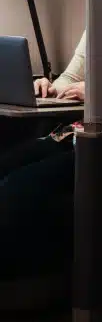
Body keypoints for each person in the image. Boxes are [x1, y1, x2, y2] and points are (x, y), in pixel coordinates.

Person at [0, 31, 86, 279]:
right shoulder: (97, 17)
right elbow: (70, 78)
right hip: (66, 134)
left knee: (14, 188)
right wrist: (48, 87)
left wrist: (97, 90)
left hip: (101, 142)